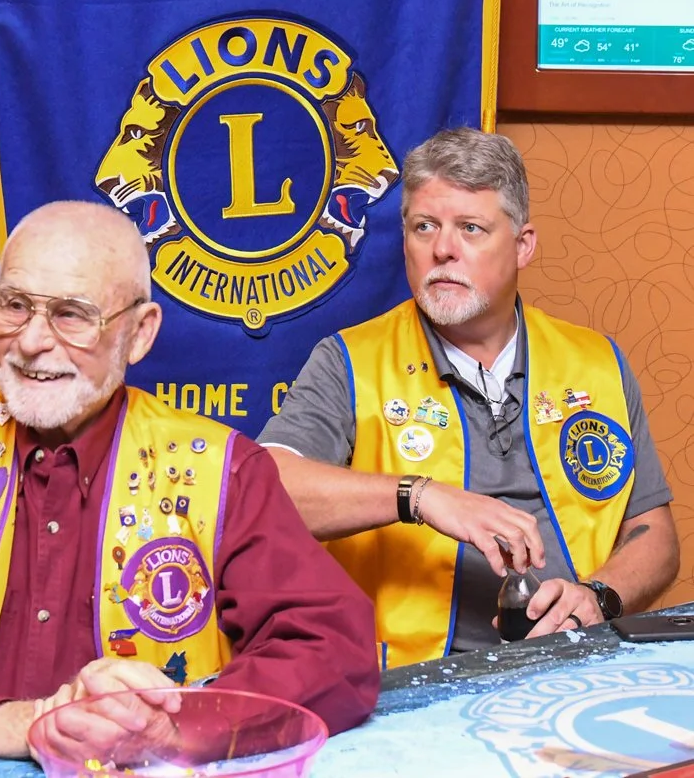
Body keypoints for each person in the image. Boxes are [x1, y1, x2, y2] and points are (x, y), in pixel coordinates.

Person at [0, 202, 379, 776]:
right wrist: (17, 723)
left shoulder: (222, 469)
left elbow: (332, 650)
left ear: (139, 333)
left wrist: (179, 724)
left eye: (71, 314)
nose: (31, 341)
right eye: (14, 305)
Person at [258, 127, 679, 671]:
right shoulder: (349, 361)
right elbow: (265, 488)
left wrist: (598, 597)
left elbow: (654, 536)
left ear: (523, 245)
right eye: (424, 227)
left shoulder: (598, 363)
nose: (442, 249)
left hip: (576, 664)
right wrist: (420, 496)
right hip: (408, 679)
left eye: (470, 228)